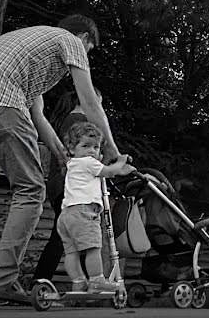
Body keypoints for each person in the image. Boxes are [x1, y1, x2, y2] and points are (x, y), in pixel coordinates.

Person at [0, 14, 122, 310]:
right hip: (1, 105)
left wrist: (60, 152)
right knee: (31, 191)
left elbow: (36, 114)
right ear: (85, 39)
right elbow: (89, 100)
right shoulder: (70, 41)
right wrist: (109, 146)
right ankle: (1, 281)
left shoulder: (29, 44)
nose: (85, 57)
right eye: (89, 51)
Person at [32, 87, 103, 282]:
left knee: (65, 238)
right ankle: (92, 281)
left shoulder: (68, 120)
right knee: (78, 237)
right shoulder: (79, 121)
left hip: (60, 184)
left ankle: (46, 281)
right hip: (72, 187)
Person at [56, 122, 134, 293]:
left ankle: (78, 281)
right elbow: (107, 172)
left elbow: (106, 171)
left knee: (71, 253)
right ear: (71, 148)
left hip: (66, 215)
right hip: (84, 212)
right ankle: (97, 280)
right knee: (93, 248)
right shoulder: (87, 163)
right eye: (86, 146)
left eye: (96, 147)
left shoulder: (73, 164)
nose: (92, 151)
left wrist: (119, 170)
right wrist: (120, 162)